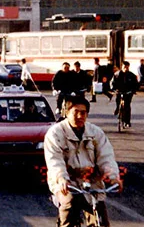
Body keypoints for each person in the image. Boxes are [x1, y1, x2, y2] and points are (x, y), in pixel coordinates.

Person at [44, 95, 123, 227]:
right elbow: (54, 161)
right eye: (76, 112)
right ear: (66, 112)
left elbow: (106, 157)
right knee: (68, 207)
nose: (80, 116)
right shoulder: (55, 133)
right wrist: (62, 178)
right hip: (67, 182)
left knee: (100, 218)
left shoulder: (96, 132)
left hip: (91, 181)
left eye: (84, 112)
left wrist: (113, 177)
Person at [111, 61, 138, 127]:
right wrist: (114, 89)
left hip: (128, 92)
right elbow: (112, 83)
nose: (125, 68)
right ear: (122, 67)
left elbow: (136, 84)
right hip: (119, 91)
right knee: (118, 100)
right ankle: (117, 108)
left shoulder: (132, 75)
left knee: (127, 106)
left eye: (127, 67)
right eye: (124, 67)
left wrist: (133, 90)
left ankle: (127, 121)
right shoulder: (117, 74)